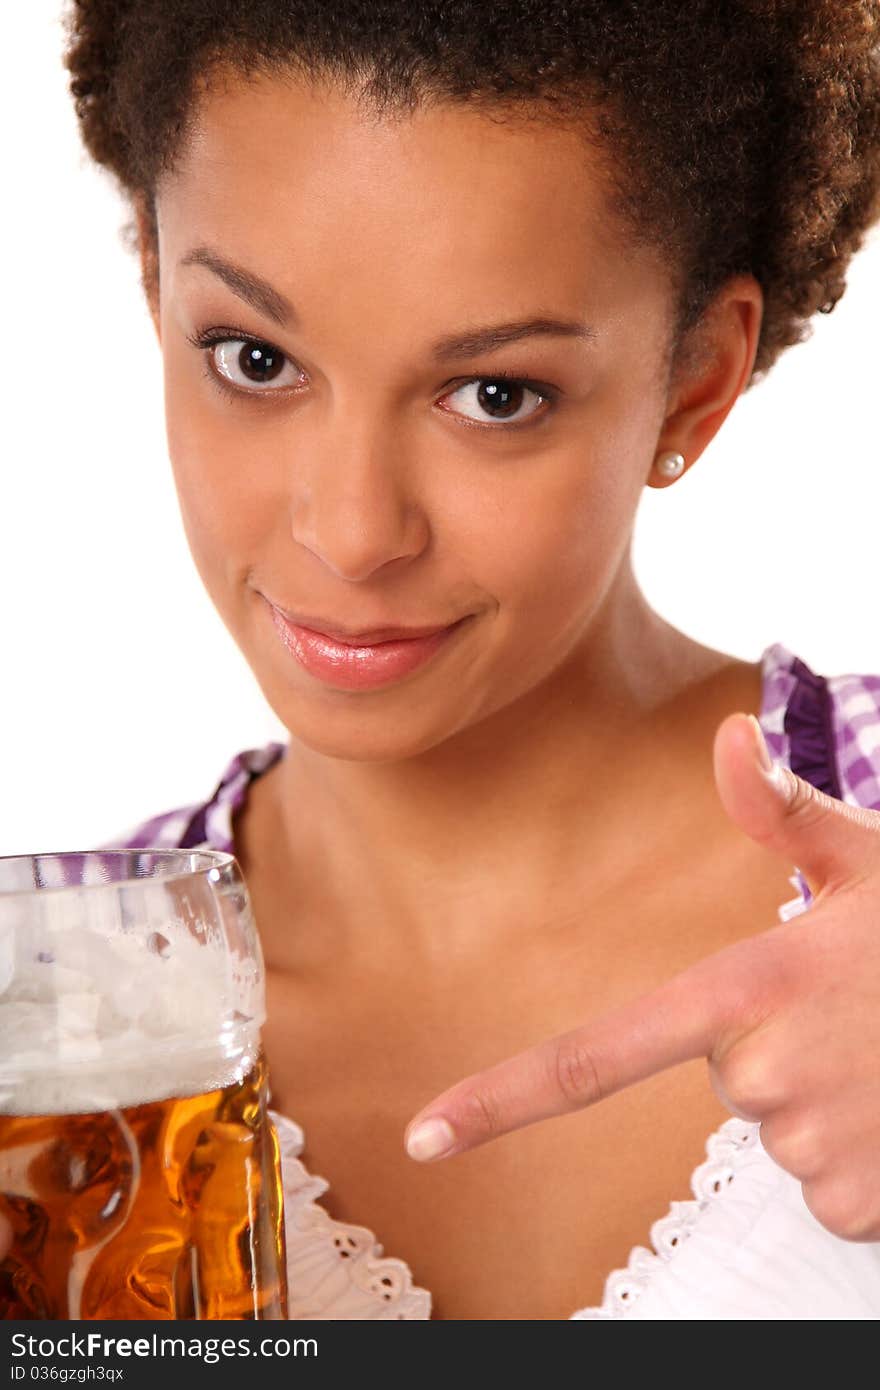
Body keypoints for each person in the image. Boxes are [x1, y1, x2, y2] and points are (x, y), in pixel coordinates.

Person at [61, 0, 880, 1319]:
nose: (353, 530)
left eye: (496, 394)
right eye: (253, 357)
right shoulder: (53, 1020)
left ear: (697, 380)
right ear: (157, 287)